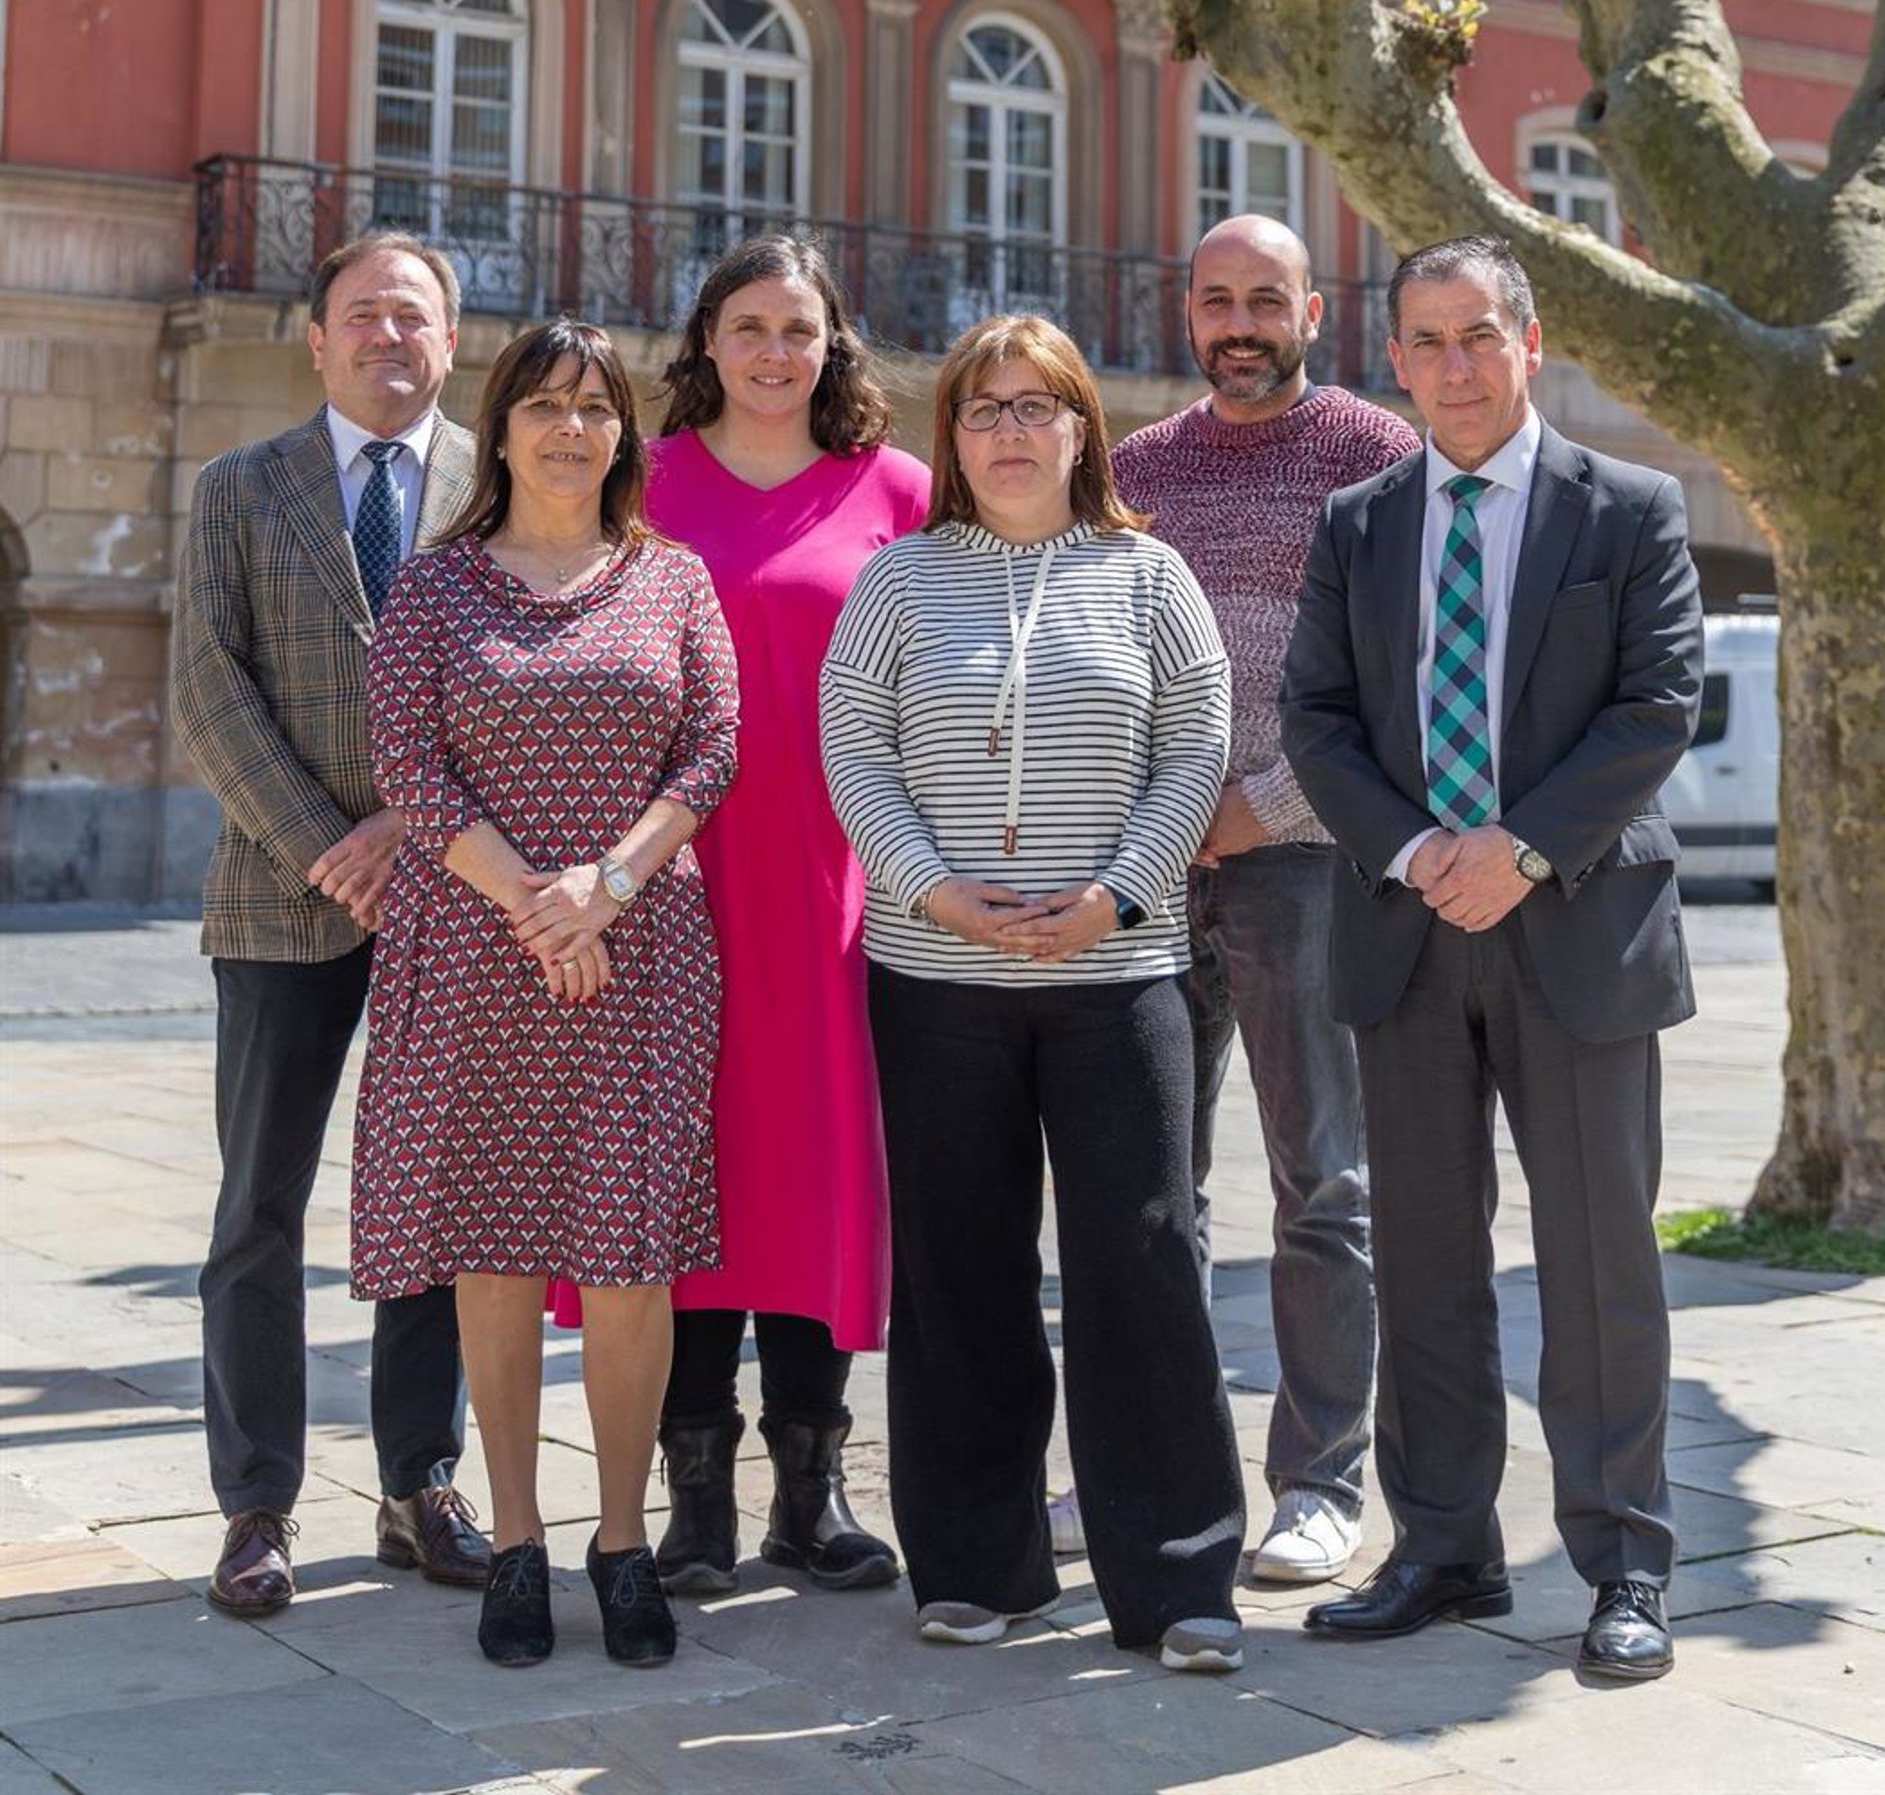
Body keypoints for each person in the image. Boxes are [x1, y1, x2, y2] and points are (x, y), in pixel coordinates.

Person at [1281, 236, 1702, 1683]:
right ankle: (1444, 1549)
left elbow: (1657, 703)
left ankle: (1626, 1561)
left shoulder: (1627, 507)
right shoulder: (1357, 522)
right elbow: (1318, 717)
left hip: (1578, 928)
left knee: (1598, 1260)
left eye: (1478, 336)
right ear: (1393, 359)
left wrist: (1517, 848)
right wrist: (1418, 853)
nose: (1454, 366)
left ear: (1529, 343)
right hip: (1407, 930)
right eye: (1427, 340)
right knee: (1423, 1256)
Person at [822, 314, 1246, 1675]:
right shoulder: (898, 582)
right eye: (983, 408)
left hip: (1118, 975)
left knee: (1144, 1259)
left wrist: (1116, 893)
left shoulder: (1150, 576)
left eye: (1035, 406)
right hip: (938, 977)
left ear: (1080, 428)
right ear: (951, 435)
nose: (1009, 431)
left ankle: (1178, 1579)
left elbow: (1195, 750)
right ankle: (974, 1565)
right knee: (959, 1265)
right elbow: (854, 751)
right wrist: (931, 888)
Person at [349, 318, 738, 1671]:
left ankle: (622, 1543)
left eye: (594, 407)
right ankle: (516, 1538)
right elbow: (409, 765)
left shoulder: (674, 578)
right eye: (543, 406)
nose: (571, 428)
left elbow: (712, 751)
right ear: (501, 429)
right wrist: (539, 903)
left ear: (625, 432)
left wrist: (604, 891)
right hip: (476, 955)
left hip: (641, 957)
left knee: (630, 1258)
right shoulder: (435, 588)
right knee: (497, 1251)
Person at [549, 235, 926, 1597]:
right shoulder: (639, 484)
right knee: (681, 1173)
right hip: (666, 881)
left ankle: (812, 1494)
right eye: (749, 325)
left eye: (799, 329)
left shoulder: (900, 490)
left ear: (834, 345)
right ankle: (695, 1499)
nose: (775, 352)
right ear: (706, 338)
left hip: (838, 887)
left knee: (816, 1175)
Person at [1090, 213, 1419, 1587]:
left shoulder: (1376, 455)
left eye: (1265, 300)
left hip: (1305, 866)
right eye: (1218, 300)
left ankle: (1319, 1484)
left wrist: (1264, 805)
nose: (1240, 325)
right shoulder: (1135, 468)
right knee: (1145, 1187)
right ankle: (1157, 1477)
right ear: (1188, 312)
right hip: (1151, 873)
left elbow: (1402, 681)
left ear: (1313, 311)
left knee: (1322, 1182)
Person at [172, 233, 484, 1620]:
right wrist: (325, 846)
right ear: (318, 339)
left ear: (451, 340)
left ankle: (423, 1482)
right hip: (277, 898)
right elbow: (208, 688)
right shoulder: (239, 488)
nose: (387, 336)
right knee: (259, 1206)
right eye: (362, 314)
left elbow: (533, 684)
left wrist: (409, 829)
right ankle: (256, 1503)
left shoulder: (499, 484)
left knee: (436, 1198)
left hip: (459, 893)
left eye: (413, 315)